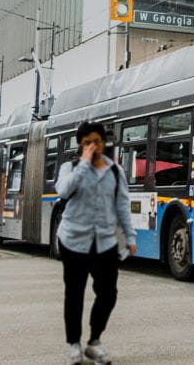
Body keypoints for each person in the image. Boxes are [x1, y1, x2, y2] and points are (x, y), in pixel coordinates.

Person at [55, 122, 137, 365]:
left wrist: (130, 238)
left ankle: (94, 341)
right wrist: (83, 165)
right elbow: (63, 191)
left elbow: (122, 206)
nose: (93, 146)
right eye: (88, 142)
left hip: (105, 241)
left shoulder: (115, 171)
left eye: (97, 141)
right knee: (74, 294)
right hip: (73, 241)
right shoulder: (69, 168)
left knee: (108, 293)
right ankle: (74, 345)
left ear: (104, 143)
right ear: (80, 144)